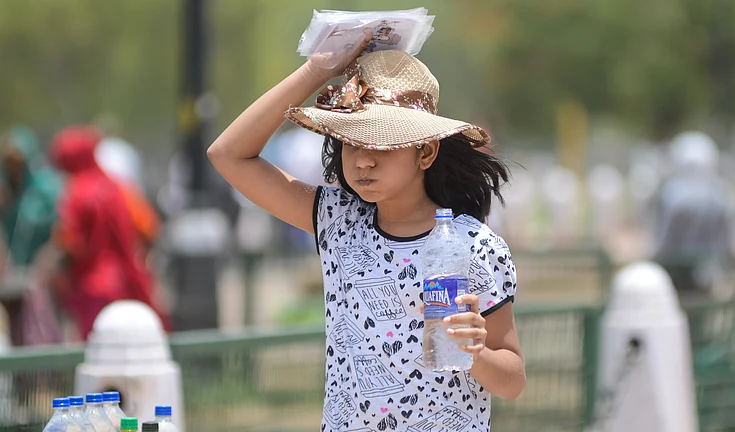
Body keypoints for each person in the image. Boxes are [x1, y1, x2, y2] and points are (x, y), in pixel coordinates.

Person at [208, 38, 525, 430]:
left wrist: (475, 352)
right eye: (350, 142)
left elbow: (512, 381)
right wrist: (317, 70)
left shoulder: (474, 245)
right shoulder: (336, 221)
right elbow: (227, 155)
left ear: (425, 153)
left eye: (383, 143)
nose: (363, 159)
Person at [49, 126, 169, 339]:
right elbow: (150, 229)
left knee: (99, 355)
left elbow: (69, 244)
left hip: (91, 289)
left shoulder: (76, 192)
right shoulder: (120, 186)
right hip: (129, 282)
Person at [652, 131, 735, 302]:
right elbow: (728, 245)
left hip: (673, 272)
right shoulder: (723, 194)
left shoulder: (669, 193)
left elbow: (661, 241)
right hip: (707, 272)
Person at [0, 126, 63, 346]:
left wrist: (44, 265)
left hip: (46, 276)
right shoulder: (9, 191)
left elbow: (61, 233)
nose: (14, 169)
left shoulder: (47, 188)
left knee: (42, 329)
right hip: (15, 278)